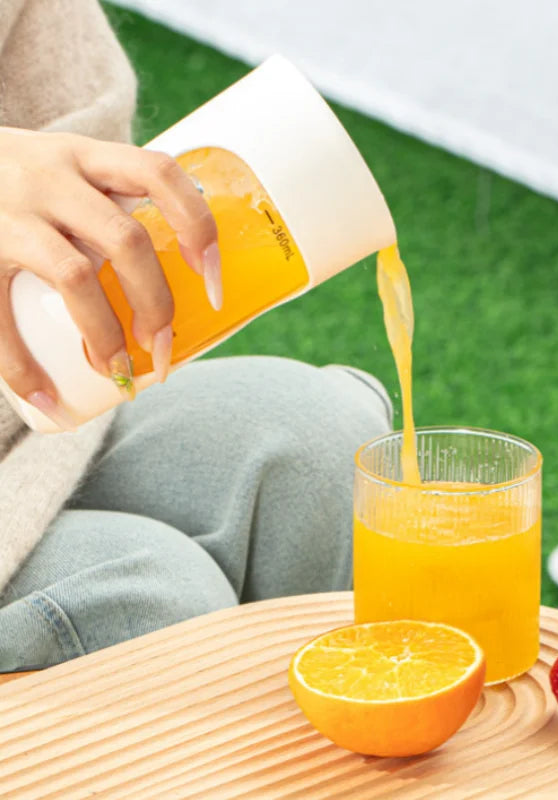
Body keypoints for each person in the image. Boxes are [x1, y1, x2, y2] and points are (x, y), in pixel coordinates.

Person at [0, 0, 392, 669]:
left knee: (321, 441)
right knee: (149, 603)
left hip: (25, 420)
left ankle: (331, 756)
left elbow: (72, 114)